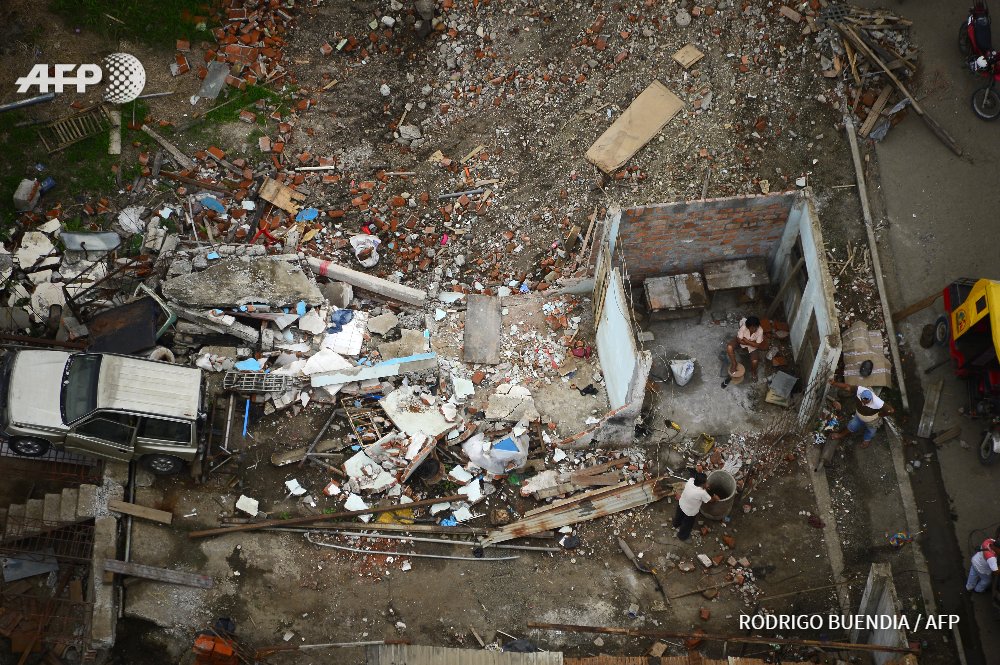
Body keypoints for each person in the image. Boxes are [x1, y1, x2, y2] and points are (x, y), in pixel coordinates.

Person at [828, 380, 895, 448]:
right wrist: (834, 383)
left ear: (871, 399)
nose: (865, 403)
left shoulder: (878, 402)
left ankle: (866, 440)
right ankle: (840, 435)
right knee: (851, 425)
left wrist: (880, 415)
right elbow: (847, 387)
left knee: (871, 431)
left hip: (872, 420)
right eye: (863, 401)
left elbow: (891, 410)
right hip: (859, 416)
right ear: (861, 397)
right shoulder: (860, 391)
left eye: (867, 401)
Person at [673, 471, 718, 541]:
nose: (707, 483)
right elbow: (711, 500)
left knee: (678, 516)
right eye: (706, 482)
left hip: (681, 504)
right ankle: (682, 536)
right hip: (690, 512)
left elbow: (697, 482)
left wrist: (704, 486)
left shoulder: (690, 481)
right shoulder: (702, 493)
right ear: (702, 484)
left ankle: (676, 524)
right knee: (687, 525)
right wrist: (715, 498)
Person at [724, 315, 765, 386]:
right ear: (748, 326)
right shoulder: (744, 327)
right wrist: (750, 343)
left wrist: (746, 341)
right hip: (744, 343)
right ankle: (734, 363)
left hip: (751, 346)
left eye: (756, 327)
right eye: (752, 327)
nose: (755, 329)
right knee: (729, 347)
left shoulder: (760, 330)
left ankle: (753, 372)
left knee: (755, 361)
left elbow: (757, 345)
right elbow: (739, 340)